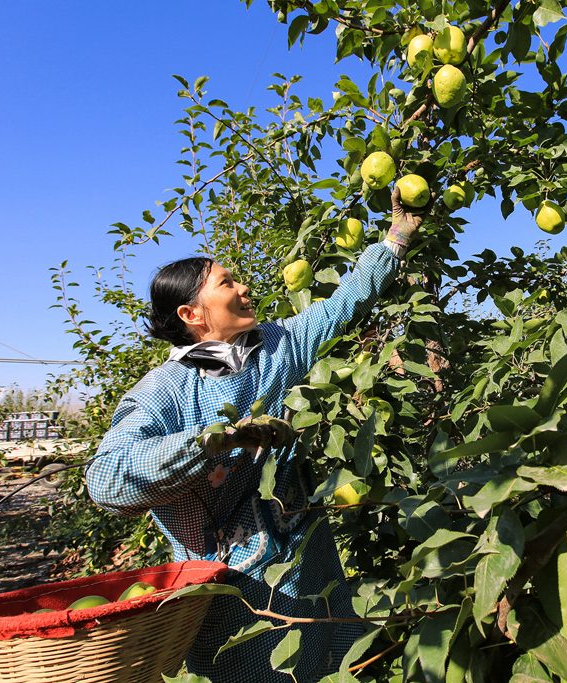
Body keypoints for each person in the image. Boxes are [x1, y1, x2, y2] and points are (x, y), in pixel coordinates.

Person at [85, 188, 428, 683]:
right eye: (227, 283)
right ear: (192, 314)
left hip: (310, 574)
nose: (244, 288)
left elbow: (342, 304)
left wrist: (396, 238)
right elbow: (106, 481)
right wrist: (214, 440)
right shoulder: (164, 391)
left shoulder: (275, 347)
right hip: (232, 599)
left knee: (333, 665)